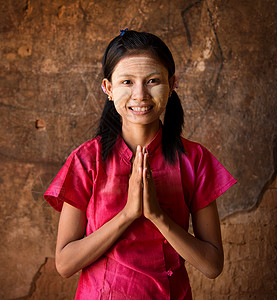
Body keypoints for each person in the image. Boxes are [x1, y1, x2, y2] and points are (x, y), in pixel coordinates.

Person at [44, 29, 236, 299]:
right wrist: (127, 215)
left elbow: (212, 265)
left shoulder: (195, 159)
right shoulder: (87, 160)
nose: (140, 94)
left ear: (172, 84)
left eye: (153, 80)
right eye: (126, 82)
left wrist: (157, 216)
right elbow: (65, 264)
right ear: (108, 88)